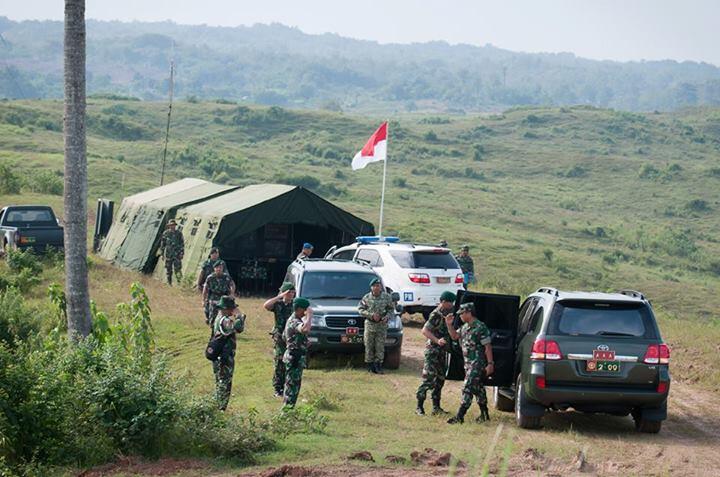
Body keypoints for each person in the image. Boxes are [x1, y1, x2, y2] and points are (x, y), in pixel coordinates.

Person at [444, 302, 494, 424]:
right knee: (477, 388)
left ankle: (459, 416)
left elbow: (487, 347)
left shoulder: (480, 327)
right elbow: (455, 336)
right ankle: (484, 414)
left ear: (468, 313)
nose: (460, 316)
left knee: (467, 387)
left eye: (461, 313)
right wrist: (449, 325)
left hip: (477, 363)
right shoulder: (465, 327)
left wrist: (490, 364)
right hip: (468, 363)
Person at [415, 291, 456, 415]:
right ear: (443, 302)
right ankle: (419, 407)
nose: (452, 304)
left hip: (442, 352)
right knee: (428, 379)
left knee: (440, 380)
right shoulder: (436, 314)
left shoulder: (449, 313)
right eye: (450, 302)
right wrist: (437, 341)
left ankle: (436, 408)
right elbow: (425, 330)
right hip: (432, 351)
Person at [209, 295, 246, 411]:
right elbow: (238, 328)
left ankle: (219, 406)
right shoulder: (224, 320)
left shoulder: (219, 318)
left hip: (221, 356)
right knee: (224, 383)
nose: (232, 310)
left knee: (221, 382)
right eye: (231, 308)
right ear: (225, 308)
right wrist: (239, 316)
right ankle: (220, 408)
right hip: (223, 357)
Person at [263, 282, 296, 397]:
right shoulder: (278, 304)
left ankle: (289, 386)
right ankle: (278, 388)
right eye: (289, 292)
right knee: (279, 361)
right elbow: (266, 305)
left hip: (292, 337)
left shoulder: (294, 305)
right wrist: (280, 296)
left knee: (291, 360)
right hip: (279, 336)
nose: (291, 294)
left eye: (292, 292)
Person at [358, 278, 395, 374]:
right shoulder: (366, 298)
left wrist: (387, 317)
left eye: (378, 286)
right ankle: (370, 366)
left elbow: (391, 309)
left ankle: (378, 366)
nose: (376, 288)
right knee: (369, 346)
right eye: (374, 286)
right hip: (370, 325)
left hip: (381, 326)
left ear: (380, 287)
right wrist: (371, 315)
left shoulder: (387, 297)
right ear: (371, 287)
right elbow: (360, 309)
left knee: (380, 347)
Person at [283, 297, 313, 407]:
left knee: (294, 386)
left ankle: (289, 411)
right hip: (294, 357)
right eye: (305, 309)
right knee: (292, 387)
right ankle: (286, 413)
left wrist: (302, 342)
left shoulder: (294, 320)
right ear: (300, 309)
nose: (306, 312)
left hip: (295, 355)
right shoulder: (294, 321)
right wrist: (309, 316)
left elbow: (284, 337)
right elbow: (305, 329)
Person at [202, 261, 236, 326]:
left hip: (224, 297)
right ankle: (211, 323)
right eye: (217, 268)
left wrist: (232, 293)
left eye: (220, 268)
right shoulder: (210, 277)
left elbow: (232, 285)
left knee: (229, 310)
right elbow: (205, 289)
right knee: (209, 312)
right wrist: (203, 300)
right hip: (213, 296)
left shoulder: (226, 277)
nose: (219, 269)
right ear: (214, 268)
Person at [159, 219, 184, 285]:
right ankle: (169, 283)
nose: (172, 226)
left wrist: (181, 253)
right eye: (171, 225)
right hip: (169, 255)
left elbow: (182, 244)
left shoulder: (179, 233)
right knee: (168, 270)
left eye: (173, 225)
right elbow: (163, 244)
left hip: (177, 255)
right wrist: (162, 254)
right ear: (169, 226)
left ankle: (180, 283)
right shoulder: (166, 233)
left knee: (177, 270)